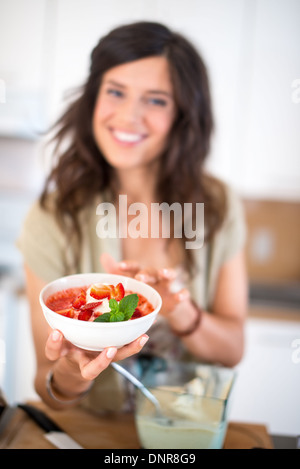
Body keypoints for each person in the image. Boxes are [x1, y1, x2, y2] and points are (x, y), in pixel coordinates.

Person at [17, 21, 248, 411]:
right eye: (116, 92)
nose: (128, 115)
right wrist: (75, 370)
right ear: (94, 98)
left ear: (183, 115)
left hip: (188, 430)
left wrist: (182, 311)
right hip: (95, 436)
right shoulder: (53, 217)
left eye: (156, 100)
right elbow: (48, 386)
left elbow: (232, 350)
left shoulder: (217, 204)